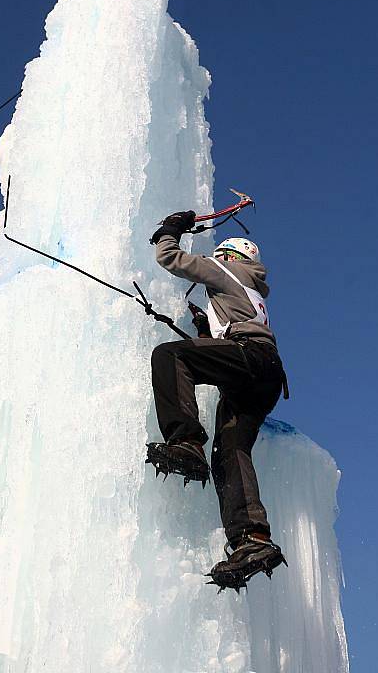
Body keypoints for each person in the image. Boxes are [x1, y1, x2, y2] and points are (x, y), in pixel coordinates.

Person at [147, 210, 289, 592]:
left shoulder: (224, 270)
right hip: (264, 375)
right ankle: (251, 539)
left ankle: (185, 440)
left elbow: (169, 258)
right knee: (230, 452)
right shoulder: (251, 289)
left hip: (249, 357)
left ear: (228, 257)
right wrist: (203, 328)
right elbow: (229, 330)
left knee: (170, 356)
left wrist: (170, 229)